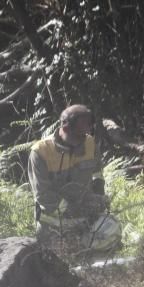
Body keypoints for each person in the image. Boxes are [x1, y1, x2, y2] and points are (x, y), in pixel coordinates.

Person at [28, 104, 121, 256]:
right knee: (58, 260)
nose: (82, 140)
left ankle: (93, 258)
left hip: (85, 220)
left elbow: (97, 173)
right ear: (64, 129)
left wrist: (98, 198)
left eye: (84, 135)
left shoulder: (90, 143)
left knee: (112, 229)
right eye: (78, 136)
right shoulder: (40, 152)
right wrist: (73, 209)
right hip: (52, 225)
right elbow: (43, 195)